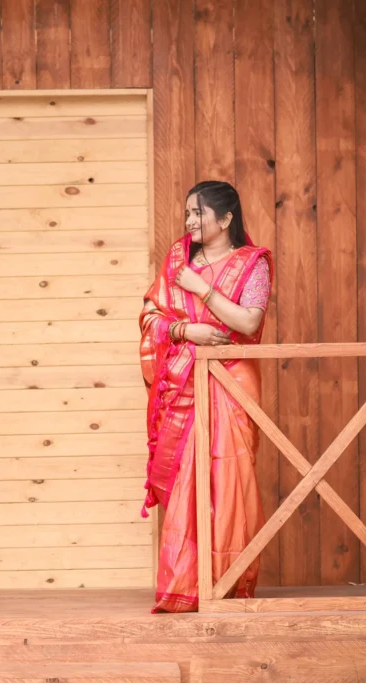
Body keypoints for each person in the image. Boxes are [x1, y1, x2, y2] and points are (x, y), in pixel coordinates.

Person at [139, 180, 272, 613]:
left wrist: (202, 289)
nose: (189, 222)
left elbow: (249, 325)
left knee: (230, 480)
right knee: (186, 481)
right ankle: (186, 585)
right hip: (187, 381)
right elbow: (151, 316)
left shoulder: (251, 264)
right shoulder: (179, 262)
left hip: (232, 382)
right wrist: (185, 331)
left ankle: (228, 586)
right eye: (187, 214)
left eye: (198, 214)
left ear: (227, 219)